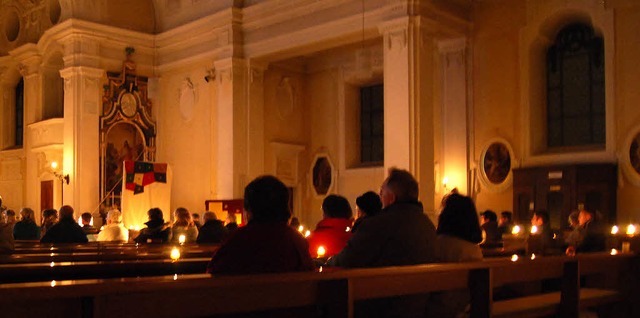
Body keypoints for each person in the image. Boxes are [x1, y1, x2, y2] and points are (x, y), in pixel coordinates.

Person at [328, 168, 437, 318]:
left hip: (383, 307)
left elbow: (347, 260)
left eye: (381, 193)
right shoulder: (428, 225)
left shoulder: (378, 224)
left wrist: (326, 262)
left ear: (391, 198)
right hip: (418, 306)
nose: (379, 197)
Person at [207, 175, 314, 275]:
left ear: (248, 210)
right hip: (292, 295)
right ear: (286, 209)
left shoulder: (238, 240)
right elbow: (309, 269)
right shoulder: (296, 240)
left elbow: (213, 272)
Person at [428, 192, 483, 317]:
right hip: (462, 309)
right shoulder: (472, 250)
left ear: (446, 216)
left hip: (435, 308)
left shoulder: (435, 244)